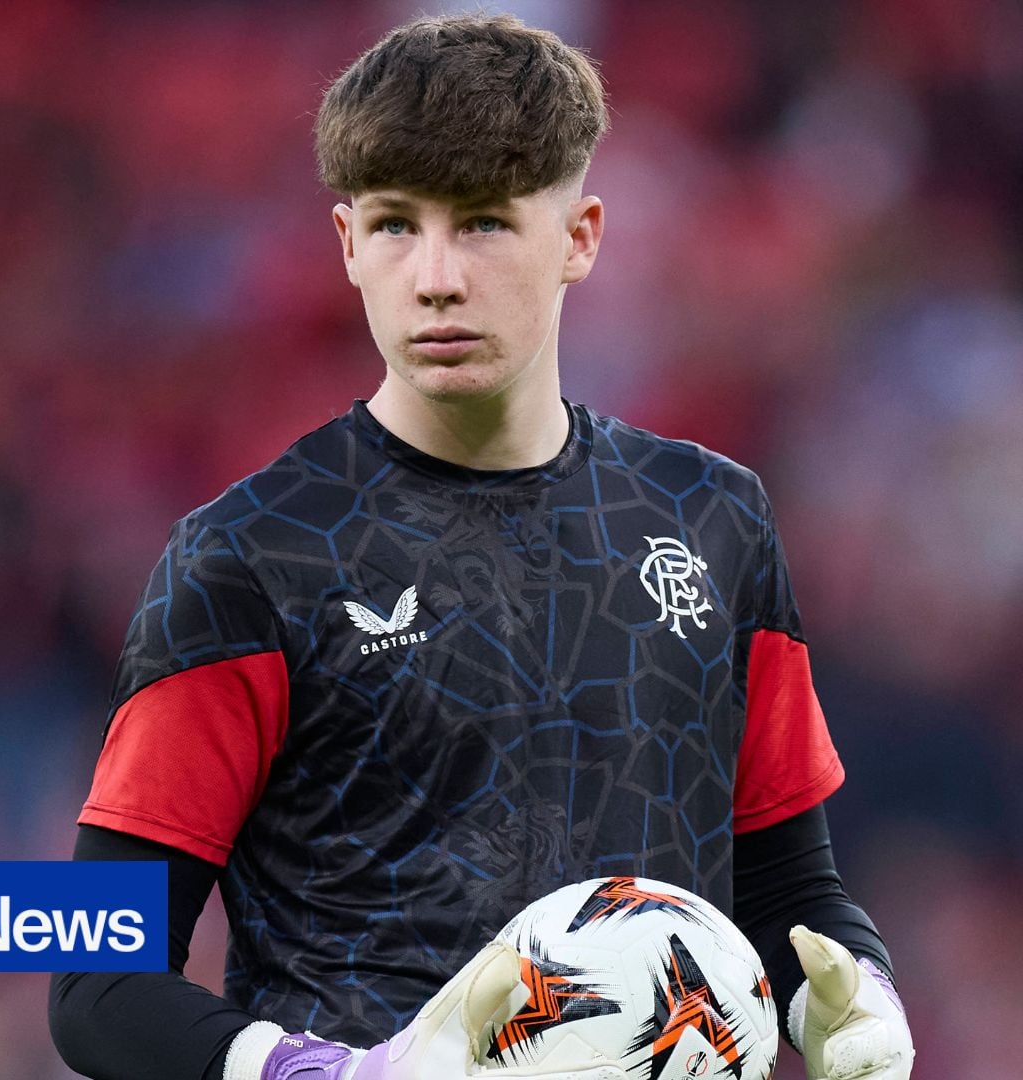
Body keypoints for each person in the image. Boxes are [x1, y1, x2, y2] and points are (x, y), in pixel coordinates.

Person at [49, 13, 914, 1080]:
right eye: (395, 225)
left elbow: (790, 894)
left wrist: (855, 1001)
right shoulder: (248, 560)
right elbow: (96, 983)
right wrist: (338, 1076)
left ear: (580, 237)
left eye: (485, 223)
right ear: (347, 244)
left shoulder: (714, 519)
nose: (436, 276)